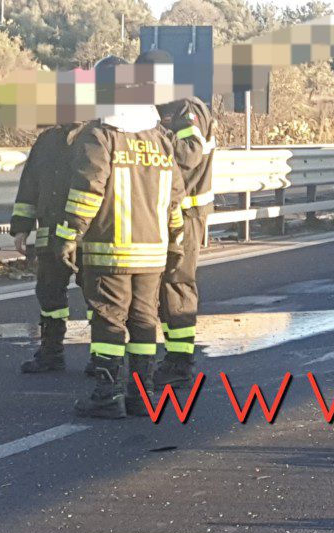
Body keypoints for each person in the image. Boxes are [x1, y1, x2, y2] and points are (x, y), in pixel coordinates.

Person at [55, 57, 186, 418]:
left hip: (109, 252)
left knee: (109, 321)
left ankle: (106, 394)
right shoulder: (160, 138)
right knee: (144, 321)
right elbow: (176, 198)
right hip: (153, 254)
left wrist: (68, 237)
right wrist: (177, 240)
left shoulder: (100, 136)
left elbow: (87, 191)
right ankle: (142, 397)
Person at [135, 50, 216, 389]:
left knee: (177, 283)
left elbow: (189, 154)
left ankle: (180, 362)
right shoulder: (158, 110)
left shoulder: (188, 108)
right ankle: (167, 355)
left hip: (187, 212)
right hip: (163, 210)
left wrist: (153, 145)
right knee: (157, 285)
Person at [11, 120, 89, 373]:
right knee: (48, 293)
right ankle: (51, 351)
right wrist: (22, 226)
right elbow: (29, 184)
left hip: (87, 235)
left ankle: (103, 359)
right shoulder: (47, 140)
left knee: (97, 297)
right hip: (51, 231)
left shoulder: (99, 137)